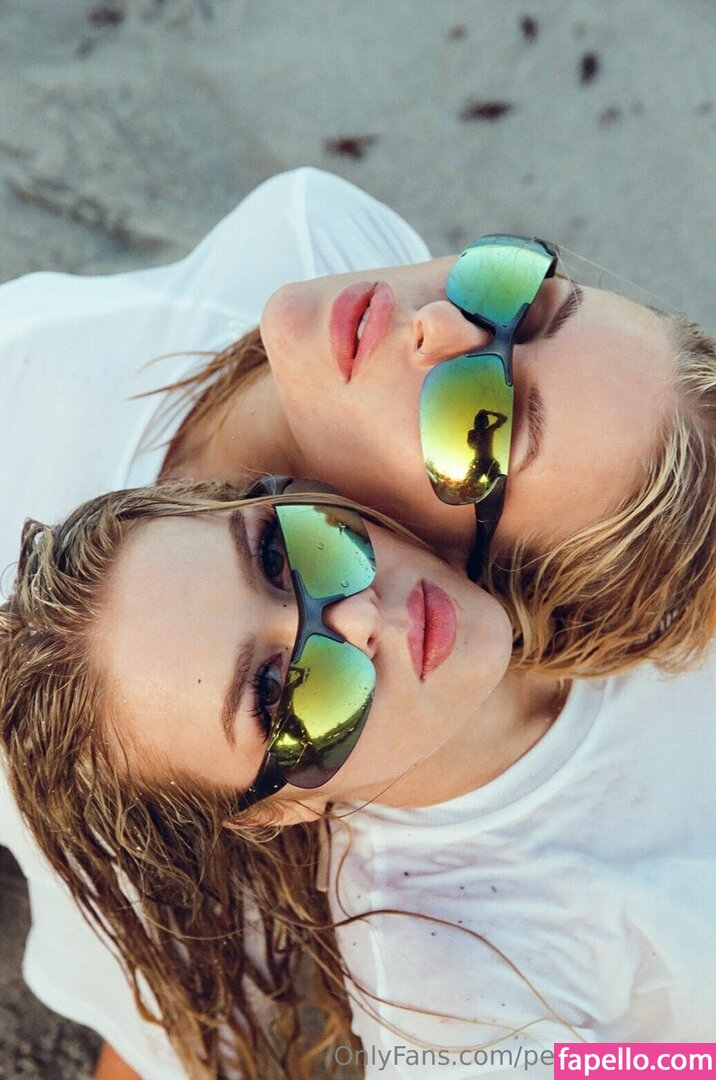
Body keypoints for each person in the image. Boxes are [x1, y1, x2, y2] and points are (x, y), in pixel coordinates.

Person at [1, 166, 714, 1075]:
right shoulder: (445, 977)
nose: (443, 321)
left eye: (479, 425)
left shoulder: (317, 250)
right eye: (277, 689)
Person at [1, 477, 714, 1080]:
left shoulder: (577, 479)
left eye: (279, 555)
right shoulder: (453, 996)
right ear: (279, 811)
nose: (360, 614)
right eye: (275, 691)